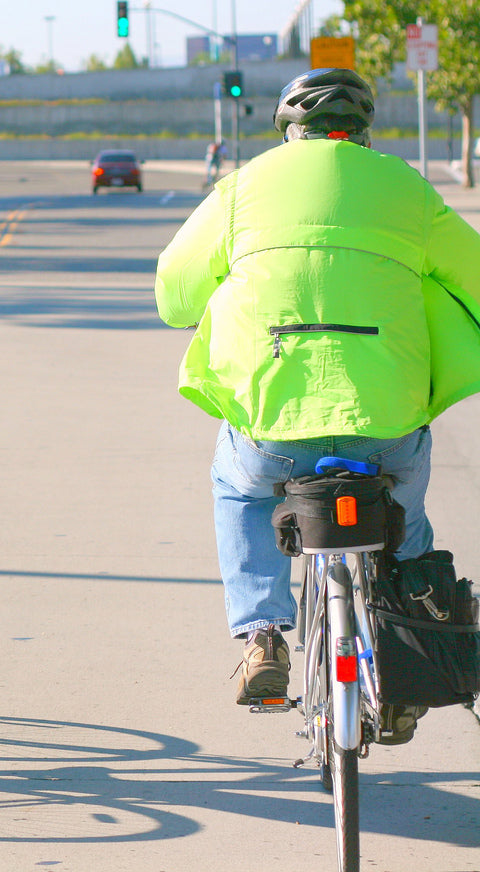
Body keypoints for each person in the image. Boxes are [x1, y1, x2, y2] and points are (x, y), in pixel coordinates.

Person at [154, 69, 480, 741]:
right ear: (363, 132)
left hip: (274, 426)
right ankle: (406, 656)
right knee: (404, 524)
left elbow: (174, 297)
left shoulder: (241, 189)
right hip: (389, 423)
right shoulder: (408, 190)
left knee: (239, 488)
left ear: (288, 130)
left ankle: (262, 636)